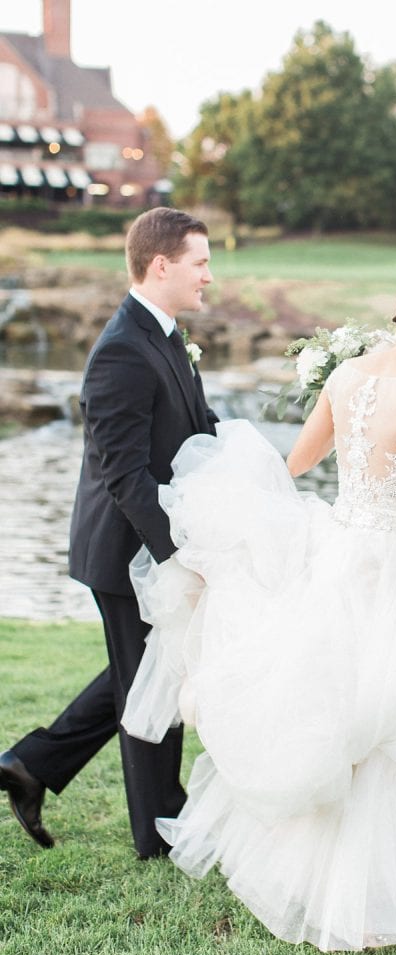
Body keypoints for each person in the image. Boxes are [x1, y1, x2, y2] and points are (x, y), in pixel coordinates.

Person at [122, 254, 396, 949]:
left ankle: (317, 881)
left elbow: (295, 464)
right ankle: (379, 893)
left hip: (339, 553)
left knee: (338, 709)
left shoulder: (349, 373)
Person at [0, 207, 218, 859]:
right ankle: (157, 832)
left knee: (144, 673)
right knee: (155, 677)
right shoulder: (122, 350)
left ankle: (29, 765)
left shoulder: (166, 335)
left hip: (150, 544)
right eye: (200, 262)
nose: (210, 275)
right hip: (128, 554)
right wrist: (180, 557)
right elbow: (123, 476)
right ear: (161, 266)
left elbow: (198, 426)